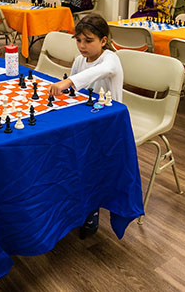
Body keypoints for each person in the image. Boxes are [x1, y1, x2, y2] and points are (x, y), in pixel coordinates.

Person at [49, 13, 123, 239]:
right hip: (85, 115)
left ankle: (92, 207)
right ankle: (66, 199)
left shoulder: (111, 58)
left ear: (103, 41)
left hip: (109, 122)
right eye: (79, 40)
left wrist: (69, 81)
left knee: (87, 159)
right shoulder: (80, 59)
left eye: (88, 41)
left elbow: (99, 72)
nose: (82, 46)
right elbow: (74, 91)